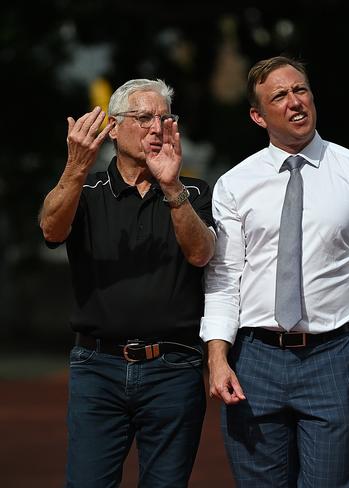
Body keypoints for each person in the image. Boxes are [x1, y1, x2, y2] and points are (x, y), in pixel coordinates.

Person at [201, 56, 349, 487]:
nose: (296, 102)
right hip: (254, 358)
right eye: (280, 96)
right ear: (258, 116)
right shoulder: (235, 184)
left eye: (301, 90)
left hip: (332, 357)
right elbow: (223, 280)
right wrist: (217, 359)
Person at [39, 78, 216, 487]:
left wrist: (171, 186)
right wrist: (75, 165)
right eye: (144, 117)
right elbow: (51, 229)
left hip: (174, 368)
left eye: (164, 117)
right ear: (113, 128)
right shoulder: (87, 190)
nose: (156, 127)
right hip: (97, 367)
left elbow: (201, 253)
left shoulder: (193, 191)